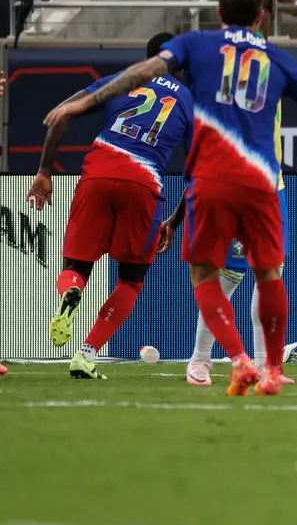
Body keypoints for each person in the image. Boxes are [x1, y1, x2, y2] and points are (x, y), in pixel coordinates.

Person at [44, 0, 297, 396]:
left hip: (211, 178)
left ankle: (236, 360)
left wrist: (84, 102)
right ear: (261, 15)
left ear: (218, 13)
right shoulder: (277, 58)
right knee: (269, 274)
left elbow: (142, 72)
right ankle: (270, 369)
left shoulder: (196, 45)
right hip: (261, 180)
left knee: (205, 275)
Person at [28, 34, 193, 380]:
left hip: (99, 172)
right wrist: (174, 222)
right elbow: (198, 175)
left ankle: (71, 291)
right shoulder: (190, 102)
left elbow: (61, 116)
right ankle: (86, 355)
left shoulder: (119, 81)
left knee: (77, 265)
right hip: (144, 183)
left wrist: (44, 170)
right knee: (131, 280)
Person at [180, 0, 293, 387]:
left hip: (267, 183)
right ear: (261, 13)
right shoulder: (221, 65)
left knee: (266, 274)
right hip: (227, 179)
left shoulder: (273, 60)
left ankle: (265, 366)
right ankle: (202, 359)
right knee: (225, 275)